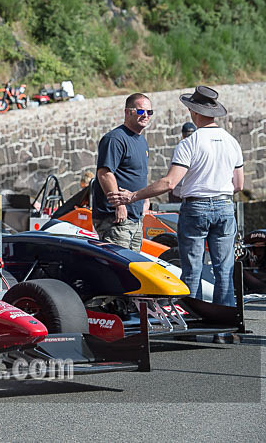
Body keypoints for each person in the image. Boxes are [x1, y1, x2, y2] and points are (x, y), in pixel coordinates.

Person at [108, 86, 244, 342]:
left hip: (196, 207)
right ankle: (224, 330)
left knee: (192, 269)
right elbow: (239, 185)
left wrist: (134, 196)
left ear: (193, 111)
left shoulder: (189, 143)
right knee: (223, 270)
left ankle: (188, 329)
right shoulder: (232, 142)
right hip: (225, 206)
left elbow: (170, 183)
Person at [91, 93, 152, 252]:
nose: (145, 115)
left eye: (149, 112)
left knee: (132, 270)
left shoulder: (142, 141)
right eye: (140, 111)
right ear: (127, 112)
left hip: (135, 218)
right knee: (117, 270)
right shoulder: (115, 139)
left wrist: (144, 201)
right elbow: (105, 173)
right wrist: (119, 205)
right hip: (116, 219)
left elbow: (137, 174)